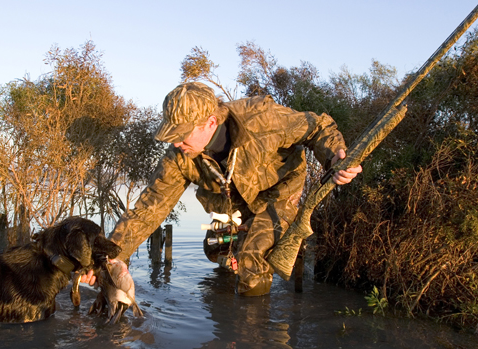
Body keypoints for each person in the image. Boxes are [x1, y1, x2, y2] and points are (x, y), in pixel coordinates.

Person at [81, 82, 362, 296]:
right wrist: (110, 257)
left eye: (181, 134)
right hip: (233, 207)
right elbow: (147, 211)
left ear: (211, 123)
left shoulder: (260, 119)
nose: (176, 143)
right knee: (216, 250)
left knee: (250, 261)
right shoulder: (179, 157)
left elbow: (317, 126)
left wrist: (336, 155)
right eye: (171, 135)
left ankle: (252, 340)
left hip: (278, 193)